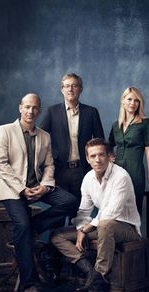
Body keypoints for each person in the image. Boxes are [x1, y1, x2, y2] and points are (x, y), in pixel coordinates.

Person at [0, 93, 78, 292]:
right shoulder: (5, 130)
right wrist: (22, 189)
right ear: (20, 108)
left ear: (39, 111)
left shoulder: (44, 136)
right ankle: (29, 286)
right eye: (27, 107)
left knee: (70, 202)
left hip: (38, 185)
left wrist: (46, 186)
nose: (31, 111)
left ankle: (32, 227)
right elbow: (0, 164)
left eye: (35, 108)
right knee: (21, 225)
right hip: (12, 189)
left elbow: (49, 165)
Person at [51, 138, 141, 292]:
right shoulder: (88, 178)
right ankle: (91, 273)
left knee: (106, 224)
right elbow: (84, 211)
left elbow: (110, 213)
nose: (97, 160)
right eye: (93, 156)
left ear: (110, 156)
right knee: (57, 235)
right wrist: (79, 228)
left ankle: (98, 285)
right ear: (87, 158)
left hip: (126, 228)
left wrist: (85, 230)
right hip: (102, 226)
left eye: (101, 155)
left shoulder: (121, 176)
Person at [41, 73, 104, 204]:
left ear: (81, 89)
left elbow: (100, 142)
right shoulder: (52, 112)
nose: (70, 89)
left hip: (82, 170)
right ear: (62, 89)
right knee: (59, 212)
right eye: (67, 86)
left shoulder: (91, 112)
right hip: (58, 170)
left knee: (77, 214)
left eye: (74, 86)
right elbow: (41, 139)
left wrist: (97, 169)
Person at [108, 87, 149, 215]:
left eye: (136, 100)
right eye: (129, 99)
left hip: (135, 170)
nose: (133, 103)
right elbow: (109, 145)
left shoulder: (145, 123)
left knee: (134, 208)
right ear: (123, 101)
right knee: (115, 207)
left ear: (140, 103)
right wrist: (111, 156)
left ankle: (134, 235)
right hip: (116, 171)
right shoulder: (116, 125)